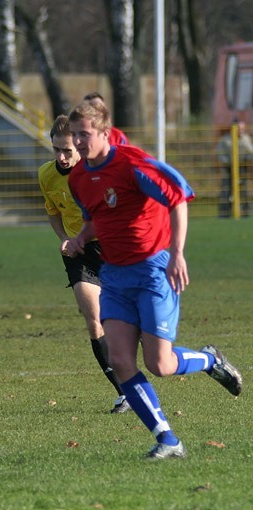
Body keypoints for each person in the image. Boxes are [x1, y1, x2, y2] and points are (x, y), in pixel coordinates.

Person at [65, 100, 242, 460]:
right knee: (120, 358)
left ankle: (210, 360)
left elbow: (178, 198)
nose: (79, 143)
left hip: (152, 269)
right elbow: (99, 215)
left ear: (103, 132)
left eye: (85, 135)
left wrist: (177, 253)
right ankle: (168, 439)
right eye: (75, 136)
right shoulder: (80, 178)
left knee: (160, 364)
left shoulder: (132, 163)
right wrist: (82, 237)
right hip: (114, 275)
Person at [38, 114, 129, 414]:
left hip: (109, 246)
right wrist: (65, 237)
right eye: (56, 150)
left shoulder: (95, 173)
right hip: (78, 252)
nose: (61, 157)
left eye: (67, 150)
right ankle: (124, 392)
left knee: (123, 319)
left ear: (79, 145)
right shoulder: (46, 175)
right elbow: (53, 211)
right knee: (94, 319)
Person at [215, 119, 253, 217]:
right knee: (226, 191)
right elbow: (219, 154)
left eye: (242, 129)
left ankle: (246, 213)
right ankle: (224, 214)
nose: (241, 131)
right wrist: (228, 162)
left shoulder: (246, 139)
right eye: (239, 128)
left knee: (244, 192)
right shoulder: (225, 140)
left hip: (242, 169)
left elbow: (251, 153)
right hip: (228, 170)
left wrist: (246, 160)